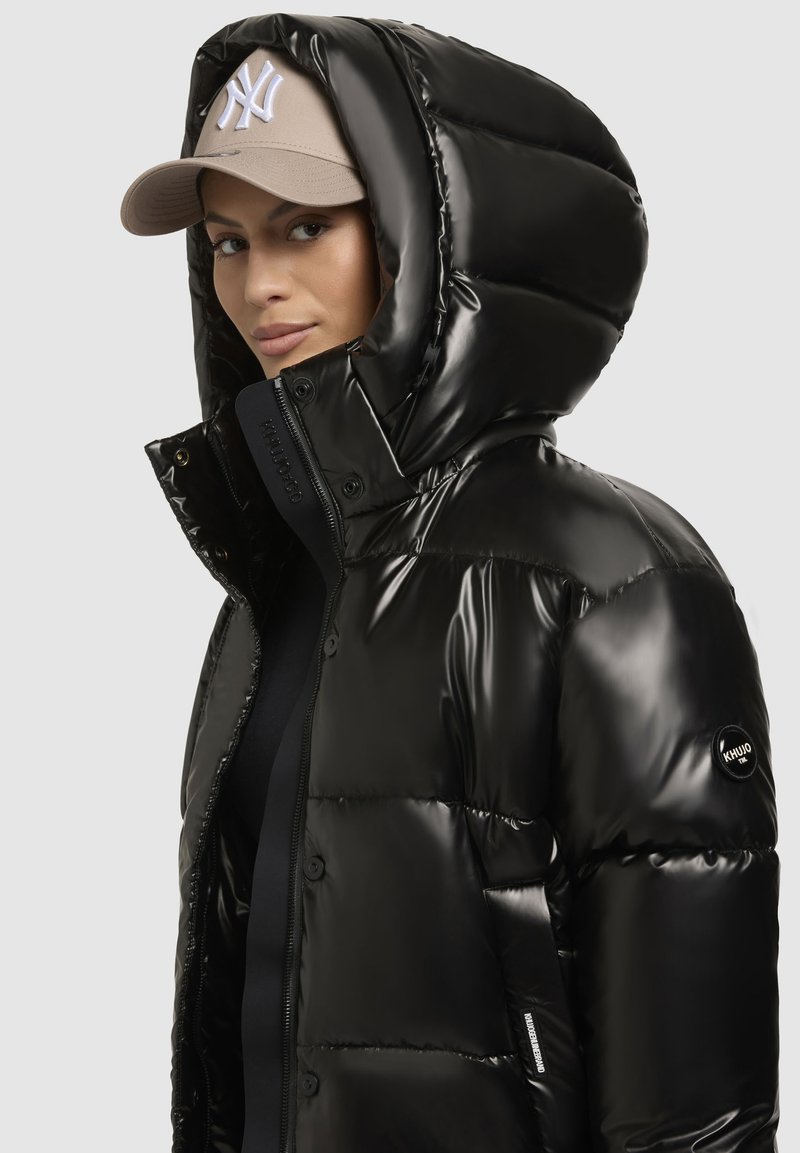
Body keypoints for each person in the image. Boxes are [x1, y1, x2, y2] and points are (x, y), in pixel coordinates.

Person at [120, 14, 781, 1153]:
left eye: (306, 226)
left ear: (432, 238)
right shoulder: (272, 580)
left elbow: (693, 1110)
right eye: (227, 242)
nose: (258, 284)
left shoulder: (613, 579)